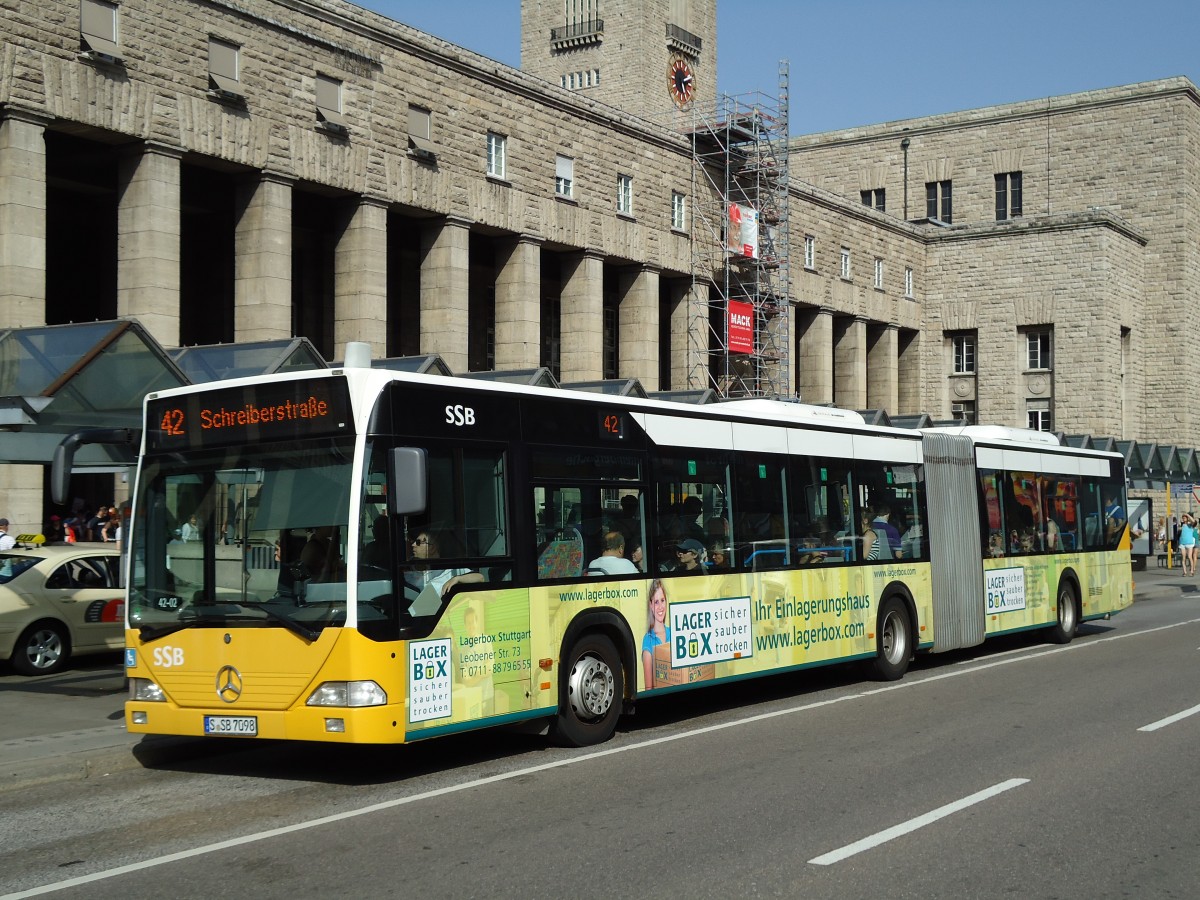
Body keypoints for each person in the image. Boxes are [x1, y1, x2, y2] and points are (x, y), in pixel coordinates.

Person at [407, 529, 483, 597]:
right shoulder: (411, 573)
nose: (413, 545)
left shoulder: (451, 571)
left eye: (418, 542)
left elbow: (480, 578)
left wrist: (457, 579)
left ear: (432, 548)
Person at [641, 579, 670, 686]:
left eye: (662, 600)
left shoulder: (673, 634)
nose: (660, 607)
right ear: (651, 606)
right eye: (656, 602)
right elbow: (649, 688)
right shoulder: (648, 640)